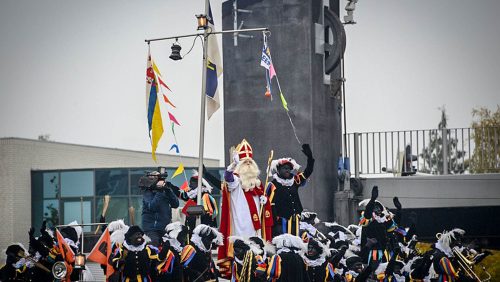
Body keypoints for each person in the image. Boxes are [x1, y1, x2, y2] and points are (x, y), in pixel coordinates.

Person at [218, 139, 273, 277]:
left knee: (256, 261)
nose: (248, 164)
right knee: (240, 261)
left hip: (255, 230)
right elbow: (228, 177)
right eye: (244, 162)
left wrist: (265, 202)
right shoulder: (236, 182)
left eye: (250, 162)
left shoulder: (258, 184)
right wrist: (233, 165)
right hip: (240, 228)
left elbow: (263, 208)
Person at [267, 144, 314, 237]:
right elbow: (270, 205)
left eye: (289, 168)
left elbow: (308, 172)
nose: (287, 170)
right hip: (280, 224)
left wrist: (310, 158)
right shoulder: (272, 185)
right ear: (278, 170)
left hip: (295, 221)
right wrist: (275, 220)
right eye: (285, 168)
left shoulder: (295, 181)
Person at [141, 170, 180, 246]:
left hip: (164, 227)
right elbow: (152, 206)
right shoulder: (147, 192)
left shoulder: (164, 191)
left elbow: (175, 204)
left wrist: (168, 190)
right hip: (151, 228)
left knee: (169, 246)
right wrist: (160, 191)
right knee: (154, 244)